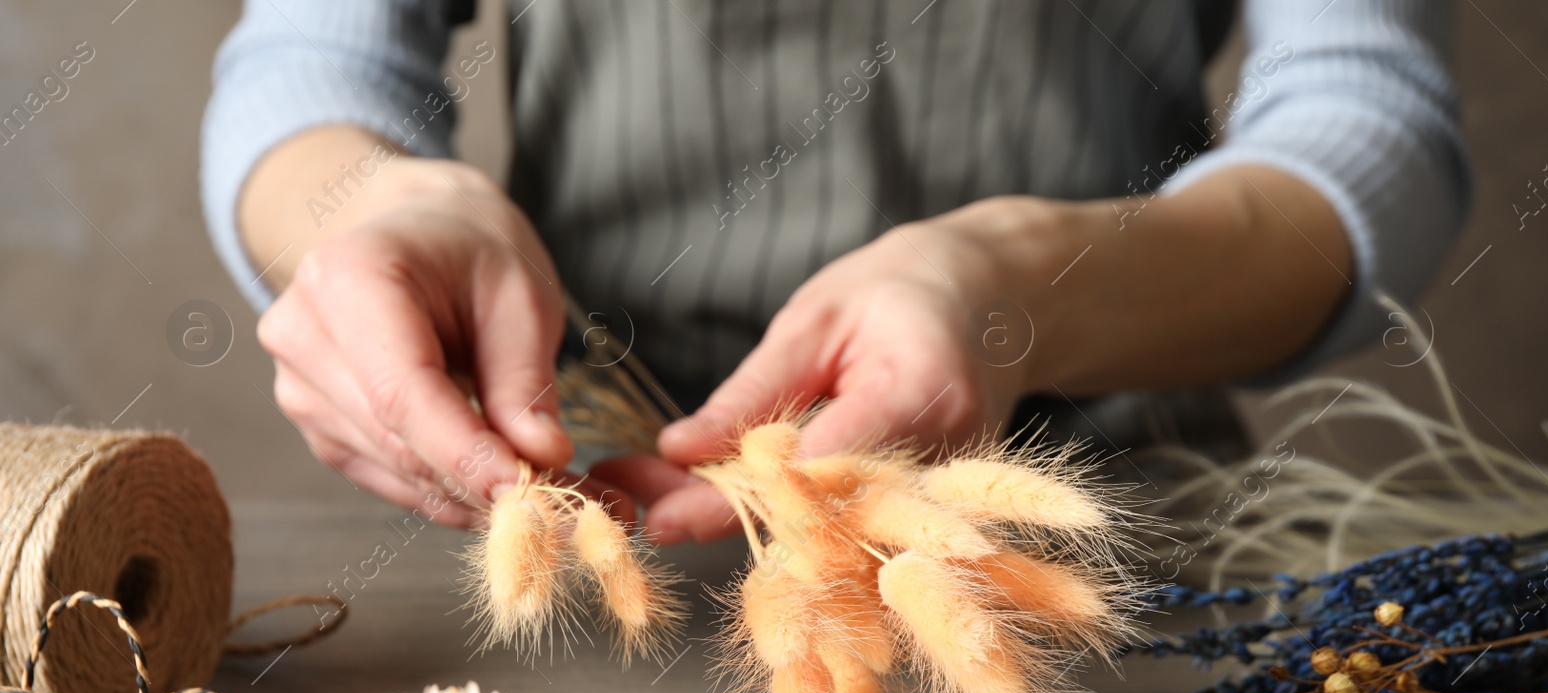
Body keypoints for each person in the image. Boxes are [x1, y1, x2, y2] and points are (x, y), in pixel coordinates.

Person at [201, 0, 1467, 541]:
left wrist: (1023, 287)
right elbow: (312, 63)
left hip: (1104, 522)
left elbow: (1370, 115)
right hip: (581, 528)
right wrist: (368, 211)